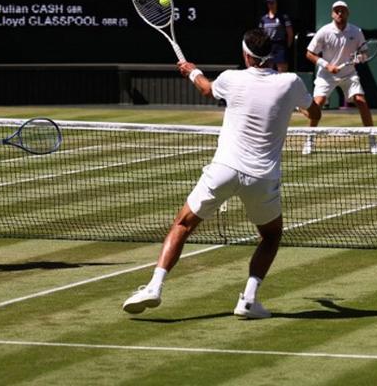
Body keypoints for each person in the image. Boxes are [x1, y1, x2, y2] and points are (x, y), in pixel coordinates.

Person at [122, 29, 320, 319]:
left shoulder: (230, 78)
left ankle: (154, 286)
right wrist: (301, 110)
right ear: (271, 55)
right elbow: (315, 114)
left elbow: (205, 87)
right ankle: (249, 301)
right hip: (262, 178)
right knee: (271, 236)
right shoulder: (291, 82)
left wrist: (192, 71)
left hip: (224, 170)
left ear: (246, 55)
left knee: (182, 224)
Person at [303, 0, 377, 155]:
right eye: (337, 11)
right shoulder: (324, 32)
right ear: (332, 14)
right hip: (326, 75)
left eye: (343, 11)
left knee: (361, 101)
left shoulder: (356, 31)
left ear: (347, 13)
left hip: (349, 74)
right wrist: (327, 65)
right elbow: (309, 54)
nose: (340, 13)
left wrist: (360, 58)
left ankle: (373, 141)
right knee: (317, 104)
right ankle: (309, 141)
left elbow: (364, 52)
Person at [258, 0, 293, 72]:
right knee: (268, 70)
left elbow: (290, 33)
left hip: (280, 45)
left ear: (276, 3)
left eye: (272, 2)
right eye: (268, 3)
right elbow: (260, 33)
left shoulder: (283, 17)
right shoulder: (263, 19)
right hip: (268, 46)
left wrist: (286, 47)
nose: (270, 5)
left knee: (282, 71)